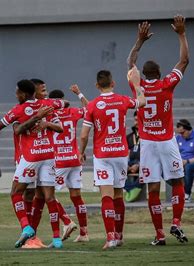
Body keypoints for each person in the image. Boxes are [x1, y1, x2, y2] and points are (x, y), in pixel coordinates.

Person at [127, 15, 189, 245]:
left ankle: (160, 234)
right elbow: (184, 61)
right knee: (178, 183)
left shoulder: (138, 86)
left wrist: (140, 41)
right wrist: (181, 33)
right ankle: (176, 222)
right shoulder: (167, 84)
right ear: (160, 73)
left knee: (153, 188)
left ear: (143, 75)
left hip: (148, 144)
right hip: (166, 141)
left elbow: (130, 64)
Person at [0, 79, 65, 248]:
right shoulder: (46, 104)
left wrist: (34, 118)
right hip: (48, 154)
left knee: (15, 192)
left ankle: (26, 227)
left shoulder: (19, 109)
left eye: (17, 92)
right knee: (49, 197)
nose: (16, 94)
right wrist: (44, 120)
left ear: (24, 94)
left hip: (31, 156)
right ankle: (56, 239)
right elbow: (60, 126)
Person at [79, 69, 145, 250]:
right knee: (118, 195)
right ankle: (120, 235)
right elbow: (142, 101)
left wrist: (81, 152)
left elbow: (84, 135)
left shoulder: (92, 105)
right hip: (121, 154)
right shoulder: (123, 100)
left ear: (97, 85)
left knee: (106, 196)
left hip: (103, 155)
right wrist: (137, 84)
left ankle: (110, 238)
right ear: (113, 84)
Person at [49, 86, 90, 243]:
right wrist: (79, 93)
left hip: (59, 161)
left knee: (49, 195)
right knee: (76, 196)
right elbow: (90, 108)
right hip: (74, 159)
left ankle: (66, 221)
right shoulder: (72, 112)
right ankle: (84, 233)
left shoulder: (49, 114)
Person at [124, 111, 143, 202]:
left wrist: (139, 165)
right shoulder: (129, 137)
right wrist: (126, 165)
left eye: (138, 120)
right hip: (130, 163)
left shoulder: (148, 136)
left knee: (149, 169)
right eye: (135, 120)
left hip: (143, 163)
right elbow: (125, 153)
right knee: (117, 169)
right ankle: (131, 188)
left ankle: (135, 187)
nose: (136, 122)